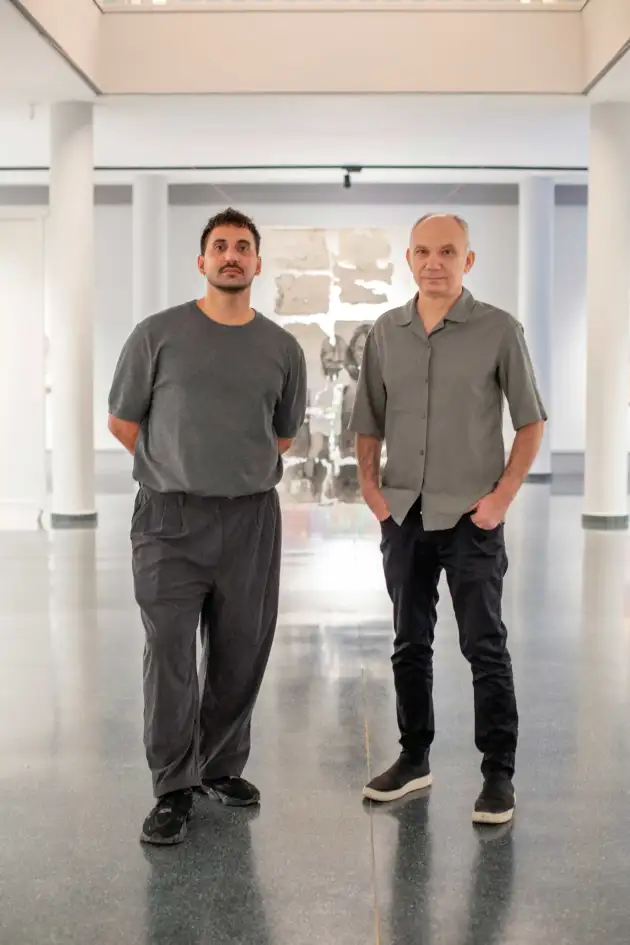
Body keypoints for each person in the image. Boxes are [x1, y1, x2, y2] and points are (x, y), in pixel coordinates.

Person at [108, 207, 307, 845]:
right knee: (170, 652)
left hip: (250, 519)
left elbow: (282, 434)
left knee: (240, 649)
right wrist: (178, 466)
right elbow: (124, 422)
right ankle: (172, 787)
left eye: (242, 247)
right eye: (219, 246)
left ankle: (220, 767)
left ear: (256, 262)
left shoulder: (282, 347)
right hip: (169, 518)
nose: (231, 256)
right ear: (201, 261)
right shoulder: (156, 335)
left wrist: (233, 472)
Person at [349, 213, 547, 825]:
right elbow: (369, 421)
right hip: (404, 515)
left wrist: (502, 499)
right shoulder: (386, 331)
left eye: (448, 252)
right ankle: (414, 758)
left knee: (483, 645)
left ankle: (498, 776)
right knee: (409, 644)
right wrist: (372, 491)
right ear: (408, 259)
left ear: (469, 260)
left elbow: (531, 421)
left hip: (471, 515)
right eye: (424, 252)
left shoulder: (498, 330)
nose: (435, 262)